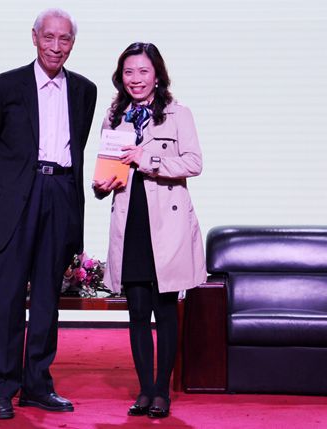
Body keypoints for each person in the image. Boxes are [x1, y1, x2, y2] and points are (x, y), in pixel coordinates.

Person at [0, 8, 97, 420]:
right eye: (49, 37)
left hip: (60, 193)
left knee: (47, 297)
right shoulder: (3, 86)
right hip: (18, 199)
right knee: (8, 295)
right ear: (34, 37)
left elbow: (78, 145)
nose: (56, 47)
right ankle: (1, 388)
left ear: (73, 43)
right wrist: (7, 191)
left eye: (65, 39)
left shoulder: (84, 90)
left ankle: (37, 385)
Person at [93, 42, 206, 419]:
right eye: (129, 72)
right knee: (137, 311)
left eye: (143, 71)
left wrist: (148, 159)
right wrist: (100, 185)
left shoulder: (178, 114)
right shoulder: (114, 116)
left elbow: (194, 163)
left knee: (165, 310)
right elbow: (106, 168)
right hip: (131, 221)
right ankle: (144, 390)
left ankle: (162, 391)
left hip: (167, 223)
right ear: (120, 77)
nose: (136, 79)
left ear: (157, 75)